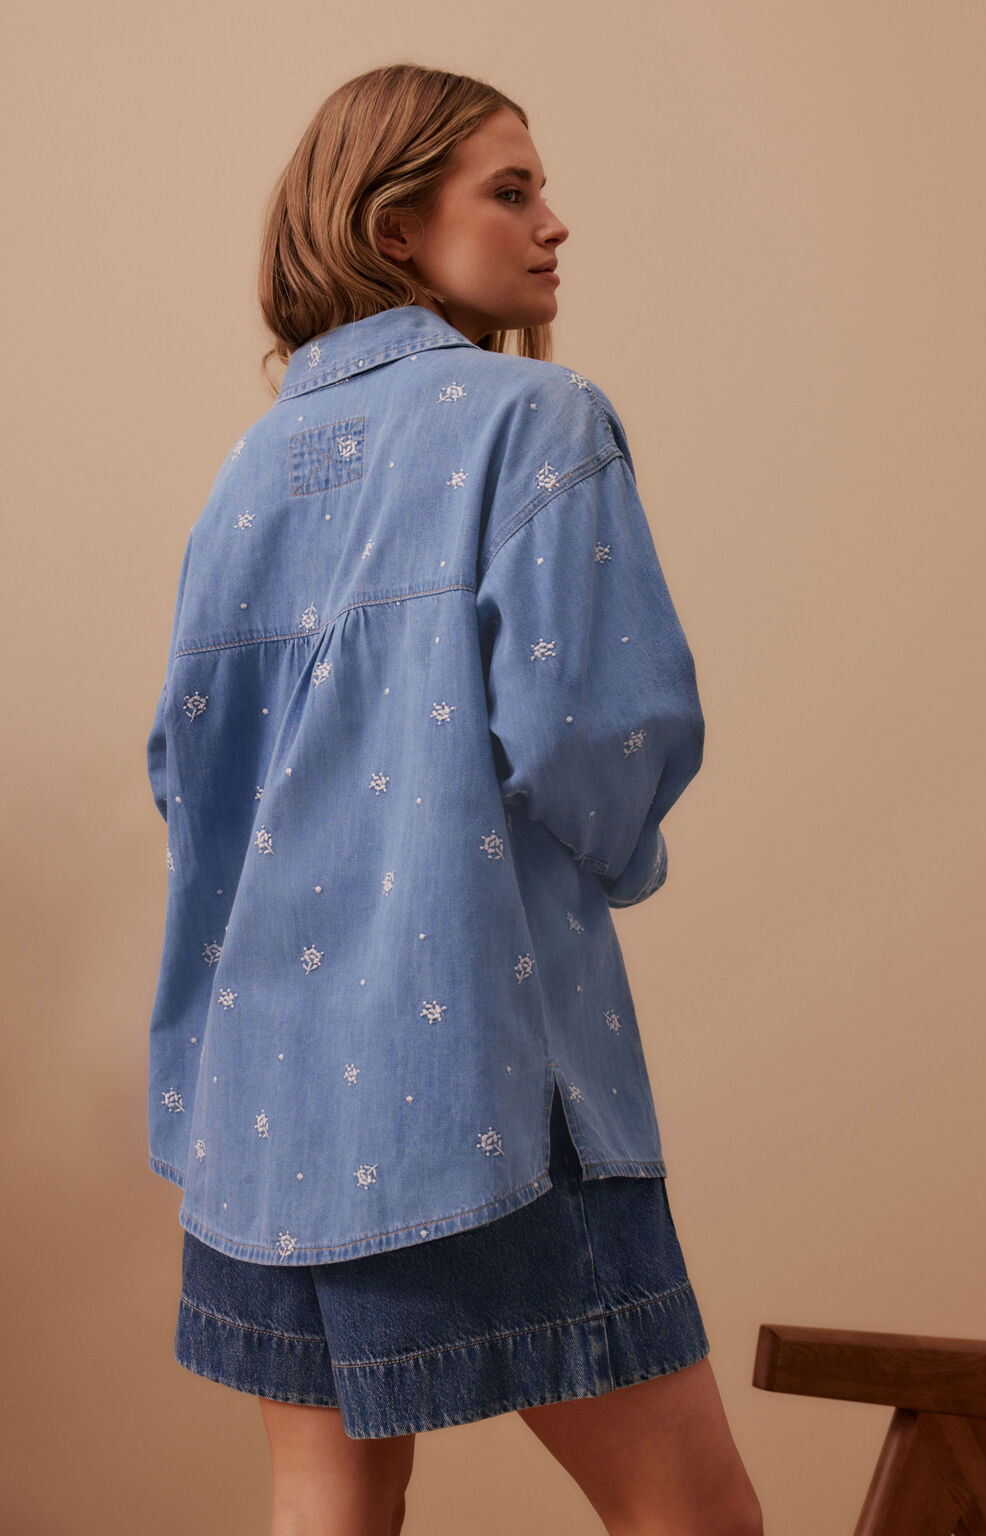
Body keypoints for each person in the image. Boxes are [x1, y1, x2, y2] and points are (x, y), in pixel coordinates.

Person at [144, 62, 764, 1536]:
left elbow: (184, 774)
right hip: (481, 1084)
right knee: (693, 1518)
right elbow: (599, 732)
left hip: (262, 1109)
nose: (556, 223)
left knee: (330, 1505)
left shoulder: (245, 474)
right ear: (394, 228)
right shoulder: (535, 418)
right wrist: (622, 853)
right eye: (512, 190)